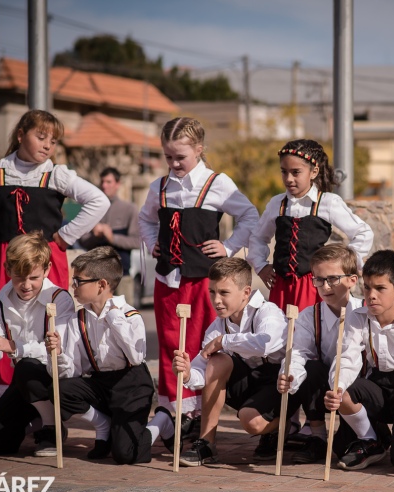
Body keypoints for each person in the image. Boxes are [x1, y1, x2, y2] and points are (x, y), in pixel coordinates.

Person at [0, 110, 109, 396]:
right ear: (21, 135)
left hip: (45, 261)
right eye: (41, 136)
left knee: (49, 321)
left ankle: (47, 400)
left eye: (54, 140)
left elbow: (98, 201)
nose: (48, 145)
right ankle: (3, 397)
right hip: (4, 260)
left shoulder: (56, 174)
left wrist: (64, 236)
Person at [138, 117, 259, 432]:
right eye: (169, 157)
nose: (174, 163)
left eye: (181, 157)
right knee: (169, 344)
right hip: (168, 279)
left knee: (200, 345)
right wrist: (152, 243)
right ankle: (171, 410)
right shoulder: (159, 186)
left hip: (204, 282)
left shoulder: (216, 183)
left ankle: (197, 416)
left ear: (200, 150)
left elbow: (249, 214)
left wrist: (229, 246)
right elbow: (146, 219)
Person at [324, 250, 394, 474]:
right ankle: (372, 439)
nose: (371, 295)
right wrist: (337, 388)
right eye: (367, 287)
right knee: (340, 441)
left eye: (380, 288)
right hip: (376, 388)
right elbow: (347, 357)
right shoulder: (357, 318)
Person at [171, 258, 287, 466]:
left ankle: (285, 426)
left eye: (224, 293)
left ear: (246, 292)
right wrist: (188, 373)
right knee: (217, 361)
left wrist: (225, 341)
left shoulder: (267, 311)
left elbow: (265, 344)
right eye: (212, 292)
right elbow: (201, 368)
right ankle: (206, 443)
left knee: (251, 422)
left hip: (277, 382)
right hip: (248, 384)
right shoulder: (218, 325)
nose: (216, 300)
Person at [45, 246, 154, 464]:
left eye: (78, 281)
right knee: (60, 390)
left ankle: (161, 422)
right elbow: (74, 370)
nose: (73, 286)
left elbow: (135, 357)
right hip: (102, 384)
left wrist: (113, 317)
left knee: (125, 454)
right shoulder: (79, 318)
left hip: (131, 385)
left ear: (101, 285)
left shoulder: (129, 315)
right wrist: (57, 353)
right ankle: (103, 424)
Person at [0, 232, 75, 456]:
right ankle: (36, 420)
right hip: (23, 382)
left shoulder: (59, 298)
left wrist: (13, 346)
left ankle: (52, 428)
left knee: (26, 365)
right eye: (19, 276)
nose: (26, 285)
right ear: (7, 270)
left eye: (34, 277)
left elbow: (63, 351)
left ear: (47, 270)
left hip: (57, 380)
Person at [248, 139, 373, 312]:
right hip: (281, 286)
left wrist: (346, 264)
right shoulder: (277, 203)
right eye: (284, 172)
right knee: (280, 333)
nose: (289, 179)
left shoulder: (327, 202)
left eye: (296, 172)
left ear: (313, 172)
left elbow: (363, 232)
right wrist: (261, 266)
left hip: (314, 285)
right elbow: (258, 237)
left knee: (311, 331)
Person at [268, 245, 363, 463]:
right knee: (309, 367)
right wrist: (289, 374)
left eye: (333, 279)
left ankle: (365, 434)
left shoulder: (363, 312)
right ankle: (317, 435)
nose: (325, 286)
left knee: (343, 448)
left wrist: (339, 386)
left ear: (352, 280)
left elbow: (352, 358)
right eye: (319, 279)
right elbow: (299, 352)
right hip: (323, 387)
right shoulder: (309, 315)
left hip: (355, 390)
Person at [78, 167, 140, 277]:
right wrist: (95, 236)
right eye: (102, 182)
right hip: (95, 275)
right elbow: (82, 241)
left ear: (117, 184)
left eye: (108, 182)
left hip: (121, 274)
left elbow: (137, 242)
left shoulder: (129, 209)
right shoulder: (91, 209)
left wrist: (112, 237)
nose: (104, 185)